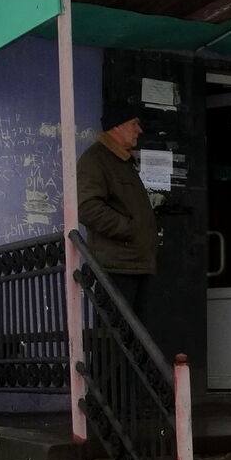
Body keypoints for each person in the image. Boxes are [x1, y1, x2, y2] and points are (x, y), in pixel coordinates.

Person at [76, 107, 158, 318]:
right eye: (134, 124)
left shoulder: (123, 161)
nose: (139, 130)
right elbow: (88, 208)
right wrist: (129, 229)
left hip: (136, 264)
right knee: (116, 337)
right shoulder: (96, 159)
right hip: (117, 266)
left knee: (136, 339)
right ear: (117, 127)